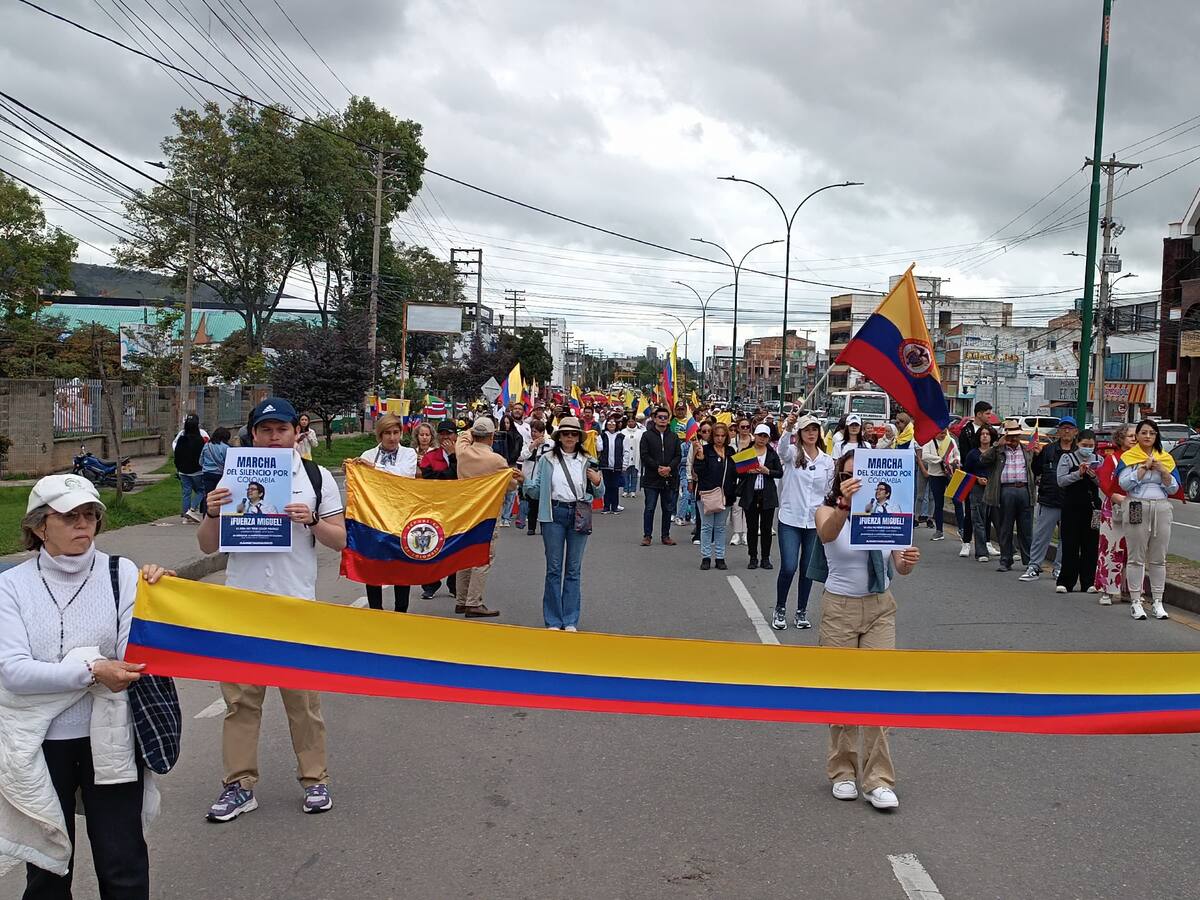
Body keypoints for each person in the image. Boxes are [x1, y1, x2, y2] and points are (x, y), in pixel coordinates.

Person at [0, 474, 173, 897]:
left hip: (110, 737)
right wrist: (93, 669)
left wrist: (161, 600)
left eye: (90, 515)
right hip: (43, 744)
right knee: (47, 868)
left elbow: (135, 655)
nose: (83, 524)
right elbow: (14, 672)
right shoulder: (12, 586)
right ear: (39, 527)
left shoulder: (122, 573)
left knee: (123, 862)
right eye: (69, 516)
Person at [199, 397, 345, 822]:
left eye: (282, 429)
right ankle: (239, 785)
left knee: (303, 703)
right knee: (240, 703)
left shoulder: (316, 477)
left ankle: (315, 779)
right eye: (266, 430)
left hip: (294, 607)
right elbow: (207, 547)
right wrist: (212, 513)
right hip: (241, 607)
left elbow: (340, 539)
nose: (274, 437)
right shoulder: (232, 476)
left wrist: (312, 520)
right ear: (253, 435)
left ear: (297, 432)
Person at [815, 451, 921, 811]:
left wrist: (908, 561)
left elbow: (899, 565)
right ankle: (843, 771)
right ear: (839, 479)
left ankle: (878, 779)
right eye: (847, 475)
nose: (855, 481)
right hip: (839, 609)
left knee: (878, 691)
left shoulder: (888, 515)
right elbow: (826, 534)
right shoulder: (828, 511)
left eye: (860, 475)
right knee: (842, 691)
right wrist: (845, 506)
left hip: (879, 607)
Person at [524, 417, 603, 630]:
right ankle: (553, 619)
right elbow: (536, 490)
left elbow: (599, 492)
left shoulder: (588, 460)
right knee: (554, 568)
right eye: (565, 433)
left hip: (579, 513)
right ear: (559, 437)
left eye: (573, 434)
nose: (569, 437)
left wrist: (597, 482)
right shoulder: (547, 459)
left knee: (573, 570)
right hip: (554, 513)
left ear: (579, 437)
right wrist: (523, 482)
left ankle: (570, 620)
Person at [455, 418, 523, 617]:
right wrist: (517, 479)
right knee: (483, 556)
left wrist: (471, 430)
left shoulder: (462, 452)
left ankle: (461, 599)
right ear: (492, 437)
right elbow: (510, 485)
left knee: (464, 555)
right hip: (487, 512)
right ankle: (473, 601)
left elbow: (462, 436)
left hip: (464, 510)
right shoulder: (496, 460)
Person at [774, 413, 834, 629]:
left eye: (814, 429)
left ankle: (801, 611)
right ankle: (780, 608)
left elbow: (829, 491)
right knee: (789, 566)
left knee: (807, 569)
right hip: (790, 519)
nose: (811, 433)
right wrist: (788, 428)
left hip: (814, 522)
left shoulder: (827, 461)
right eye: (807, 429)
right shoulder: (792, 453)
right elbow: (781, 449)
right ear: (800, 433)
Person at [1118, 419, 1182, 621]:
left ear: (1156, 436)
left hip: (1161, 506)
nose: (1147, 436)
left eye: (1152, 433)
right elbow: (1123, 483)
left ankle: (1158, 601)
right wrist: (1143, 468)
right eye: (1144, 432)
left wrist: (1163, 471)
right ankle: (1136, 601)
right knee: (1136, 556)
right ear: (1137, 436)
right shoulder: (1129, 457)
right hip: (1137, 504)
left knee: (1159, 557)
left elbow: (1174, 488)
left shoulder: (1166, 458)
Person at [359, 412, 419, 612]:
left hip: (401, 518)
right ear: (380, 435)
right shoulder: (367, 455)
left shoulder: (409, 454)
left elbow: (403, 476)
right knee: (373, 566)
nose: (392, 438)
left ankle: (400, 613)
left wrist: (374, 468)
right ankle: (376, 612)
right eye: (387, 433)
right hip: (375, 519)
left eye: (396, 432)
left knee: (401, 566)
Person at [1020, 417, 1077, 582]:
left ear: (1075, 431)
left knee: (1067, 538)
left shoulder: (1078, 452)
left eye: (1070, 428)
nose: (1066, 431)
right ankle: (1034, 566)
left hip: (1071, 502)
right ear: (1058, 431)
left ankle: (1059, 568)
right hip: (1049, 499)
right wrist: (1037, 456)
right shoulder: (1048, 450)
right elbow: (1036, 470)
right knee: (1041, 536)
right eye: (1063, 428)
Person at [981, 419, 1036, 573]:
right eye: (1010, 436)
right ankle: (1006, 560)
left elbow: (1036, 467)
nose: (1013, 439)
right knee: (1005, 527)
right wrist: (996, 445)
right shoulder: (998, 451)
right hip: (1005, 490)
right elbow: (983, 460)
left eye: (1016, 436)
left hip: (1024, 489)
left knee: (1026, 528)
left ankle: (1029, 561)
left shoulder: (1027, 450)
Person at [1055, 428, 1101, 595]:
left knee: (1091, 545)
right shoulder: (1067, 458)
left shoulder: (1099, 460)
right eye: (1084, 445)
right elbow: (1061, 481)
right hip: (1071, 506)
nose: (1087, 448)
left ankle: (1088, 581)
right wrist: (1078, 474)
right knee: (1070, 544)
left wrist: (1093, 475)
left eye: (1090, 445)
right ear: (1078, 443)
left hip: (1092, 507)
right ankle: (1066, 581)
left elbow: (1104, 483)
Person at [1095, 424, 1136, 606]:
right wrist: (1114, 496)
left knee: (1134, 549)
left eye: (1136, 436)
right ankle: (1107, 589)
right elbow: (1104, 482)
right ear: (1121, 438)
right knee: (1111, 548)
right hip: (1114, 507)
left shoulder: (1143, 458)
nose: (1134, 439)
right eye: (1130, 436)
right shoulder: (1112, 458)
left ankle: (1130, 590)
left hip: (1136, 506)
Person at [418, 420, 459, 600]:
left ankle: (454, 584)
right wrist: (450, 470)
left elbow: (461, 475)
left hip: (456, 508)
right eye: (442, 434)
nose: (445, 437)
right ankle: (430, 584)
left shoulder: (464, 455)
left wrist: (453, 456)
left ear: (455, 435)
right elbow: (434, 479)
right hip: (434, 507)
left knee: (455, 547)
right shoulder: (430, 457)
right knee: (431, 546)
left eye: (449, 433)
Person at [735, 423, 783, 570]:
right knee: (752, 527)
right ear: (754, 436)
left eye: (765, 436)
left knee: (766, 528)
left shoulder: (772, 453)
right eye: (760, 435)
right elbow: (737, 471)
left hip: (767, 494)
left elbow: (779, 472)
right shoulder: (746, 451)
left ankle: (765, 558)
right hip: (751, 493)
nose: (762, 439)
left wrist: (767, 471)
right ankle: (753, 557)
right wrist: (747, 472)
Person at [692, 422, 739, 570]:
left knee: (720, 527)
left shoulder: (731, 451)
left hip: (726, 495)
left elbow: (736, 472)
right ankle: (706, 557)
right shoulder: (705, 450)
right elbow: (698, 472)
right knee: (706, 527)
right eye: (717, 435)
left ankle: (720, 557)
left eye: (723, 436)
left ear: (726, 437)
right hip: (707, 494)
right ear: (712, 436)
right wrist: (700, 458)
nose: (720, 438)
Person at [639, 406, 682, 546]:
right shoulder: (647, 436)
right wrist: (657, 467)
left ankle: (665, 535)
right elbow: (644, 455)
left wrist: (669, 468)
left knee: (667, 508)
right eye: (660, 417)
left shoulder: (674, 437)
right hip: (652, 478)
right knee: (650, 508)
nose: (663, 420)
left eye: (665, 417)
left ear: (668, 419)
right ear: (654, 419)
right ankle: (647, 536)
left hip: (669, 478)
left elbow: (678, 456)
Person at [962, 424, 999, 561]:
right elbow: (966, 473)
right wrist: (977, 479)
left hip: (993, 489)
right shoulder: (973, 454)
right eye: (982, 434)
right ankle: (981, 552)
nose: (984, 436)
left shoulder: (996, 453)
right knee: (978, 521)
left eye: (987, 434)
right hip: (976, 489)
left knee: (996, 519)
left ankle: (1006, 550)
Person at [919, 427, 959, 542]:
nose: (943, 435)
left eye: (944, 433)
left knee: (957, 501)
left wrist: (955, 460)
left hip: (951, 474)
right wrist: (941, 459)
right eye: (941, 433)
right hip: (935, 475)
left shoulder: (950, 440)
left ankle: (961, 528)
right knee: (938, 503)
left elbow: (957, 454)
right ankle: (939, 530)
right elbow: (925, 456)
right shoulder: (929, 442)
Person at [518, 418, 554, 534]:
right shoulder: (528, 443)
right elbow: (523, 456)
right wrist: (533, 445)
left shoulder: (550, 444)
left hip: (543, 477)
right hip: (529, 476)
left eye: (536, 432)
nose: (533, 434)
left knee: (543, 504)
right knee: (531, 504)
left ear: (542, 432)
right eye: (532, 431)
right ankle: (531, 528)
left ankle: (544, 527)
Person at [173, 413, 206, 524]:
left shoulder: (181, 439)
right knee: (202, 490)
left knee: (186, 493)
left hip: (183, 471)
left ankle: (185, 516)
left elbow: (177, 454)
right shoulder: (200, 440)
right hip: (197, 471)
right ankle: (192, 509)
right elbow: (202, 456)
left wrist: (178, 467)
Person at [492, 414, 524, 528]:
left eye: (508, 422)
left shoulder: (517, 436)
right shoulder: (497, 436)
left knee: (511, 493)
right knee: (500, 494)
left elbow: (517, 451)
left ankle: (506, 517)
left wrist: (509, 461)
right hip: (499, 467)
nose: (506, 425)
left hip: (511, 465)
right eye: (504, 423)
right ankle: (500, 517)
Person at [728, 417, 753, 546]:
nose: (745, 429)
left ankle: (746, 533)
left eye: (747, 427)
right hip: (736, 476)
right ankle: (737, 533)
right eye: (742, 427)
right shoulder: (732, 442)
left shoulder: (754, 441)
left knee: (748, 506)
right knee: (736, 506)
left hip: (751, 477)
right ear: (738, 428)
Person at [596, 416, 626, 514]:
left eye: (613, 423)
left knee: (615, 487)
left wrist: (624, 464)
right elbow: (599, 448)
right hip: (605, 465)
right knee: (607, 486)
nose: (611, 425)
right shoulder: (603, 435)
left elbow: (625, 451)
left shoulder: (621, 436)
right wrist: (597, 439)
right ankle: (606, 507)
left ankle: (614, 506)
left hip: (617, 465)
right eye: (609, 423)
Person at [199, 426, 231, 497]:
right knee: (219, 495)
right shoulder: (226, 447)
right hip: (220, 474)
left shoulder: (207, 445)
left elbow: (201, 461)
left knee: (209, 496)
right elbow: (228, 462)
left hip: (207, 473)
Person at [621, 415, 643, 497]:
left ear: (635, 422)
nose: (631, 423)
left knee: (634, 474)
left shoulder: (640, 432)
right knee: (625, 474)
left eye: (632, 421)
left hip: (636, 455)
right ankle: (626, 490)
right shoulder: (623, 432)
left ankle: (633, 490)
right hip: (626, 455)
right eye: (629, 421)